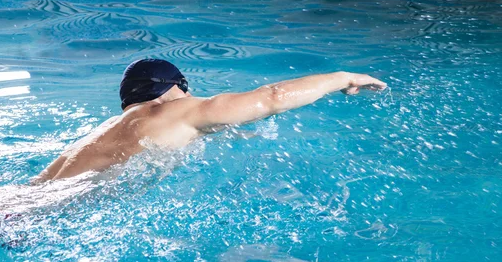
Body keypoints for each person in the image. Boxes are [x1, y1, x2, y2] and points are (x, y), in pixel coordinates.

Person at [33, 59, 387, 183]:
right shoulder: (180, 109)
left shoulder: (108, 130)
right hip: (38, 217)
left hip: (10, 204)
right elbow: (272, 98)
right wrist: (344, 77)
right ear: (178, 89)